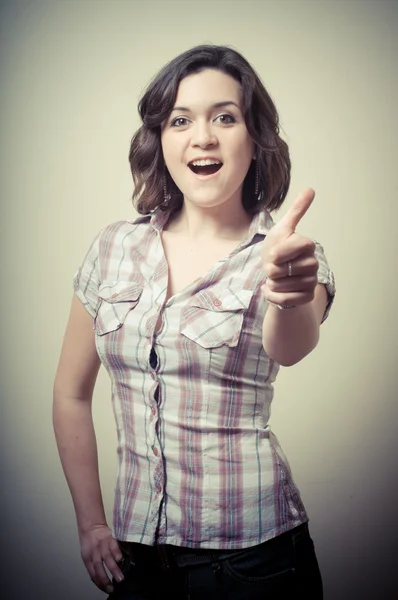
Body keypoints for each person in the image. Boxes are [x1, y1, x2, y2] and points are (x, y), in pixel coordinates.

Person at [53, 44, 335, 599]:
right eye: (180, 120)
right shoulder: (114, 247)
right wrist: (90, 523)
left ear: (255, 140)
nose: (202, 137)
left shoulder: (292, 254)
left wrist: (287, 290)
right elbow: (69, 392)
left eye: (225, 118)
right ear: (161, 139)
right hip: (135, 562)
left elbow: (292, 346)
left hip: (254, 565)